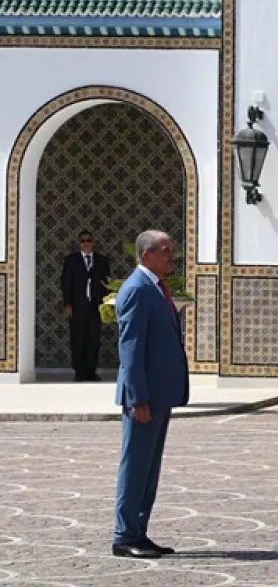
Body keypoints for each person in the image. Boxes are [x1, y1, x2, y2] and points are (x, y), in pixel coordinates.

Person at [112, 230, 187, 559]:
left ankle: (138, 530)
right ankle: (125, 534)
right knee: (136, 464)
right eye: (164, 250)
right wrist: (137, 398)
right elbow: (130, 350)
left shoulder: (155, 287)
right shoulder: (137, 290)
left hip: (159, 394)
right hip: (144, 399)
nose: (171, 256)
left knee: (149, 467)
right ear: (146, 255)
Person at [61, 228, 112, 382]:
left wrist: (107, 303)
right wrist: (67, 304)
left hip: (95, 306)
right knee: (77, 338)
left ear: (93, 242)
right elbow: (66, 283)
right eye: (83, 241)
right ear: (79, 243)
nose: (86, 243)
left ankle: (91, 371)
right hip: (78, 306)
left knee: (93, 339)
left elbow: (108, 283)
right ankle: (79, 371)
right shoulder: (71, 261)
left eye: (88, 240)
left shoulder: (102, 261)